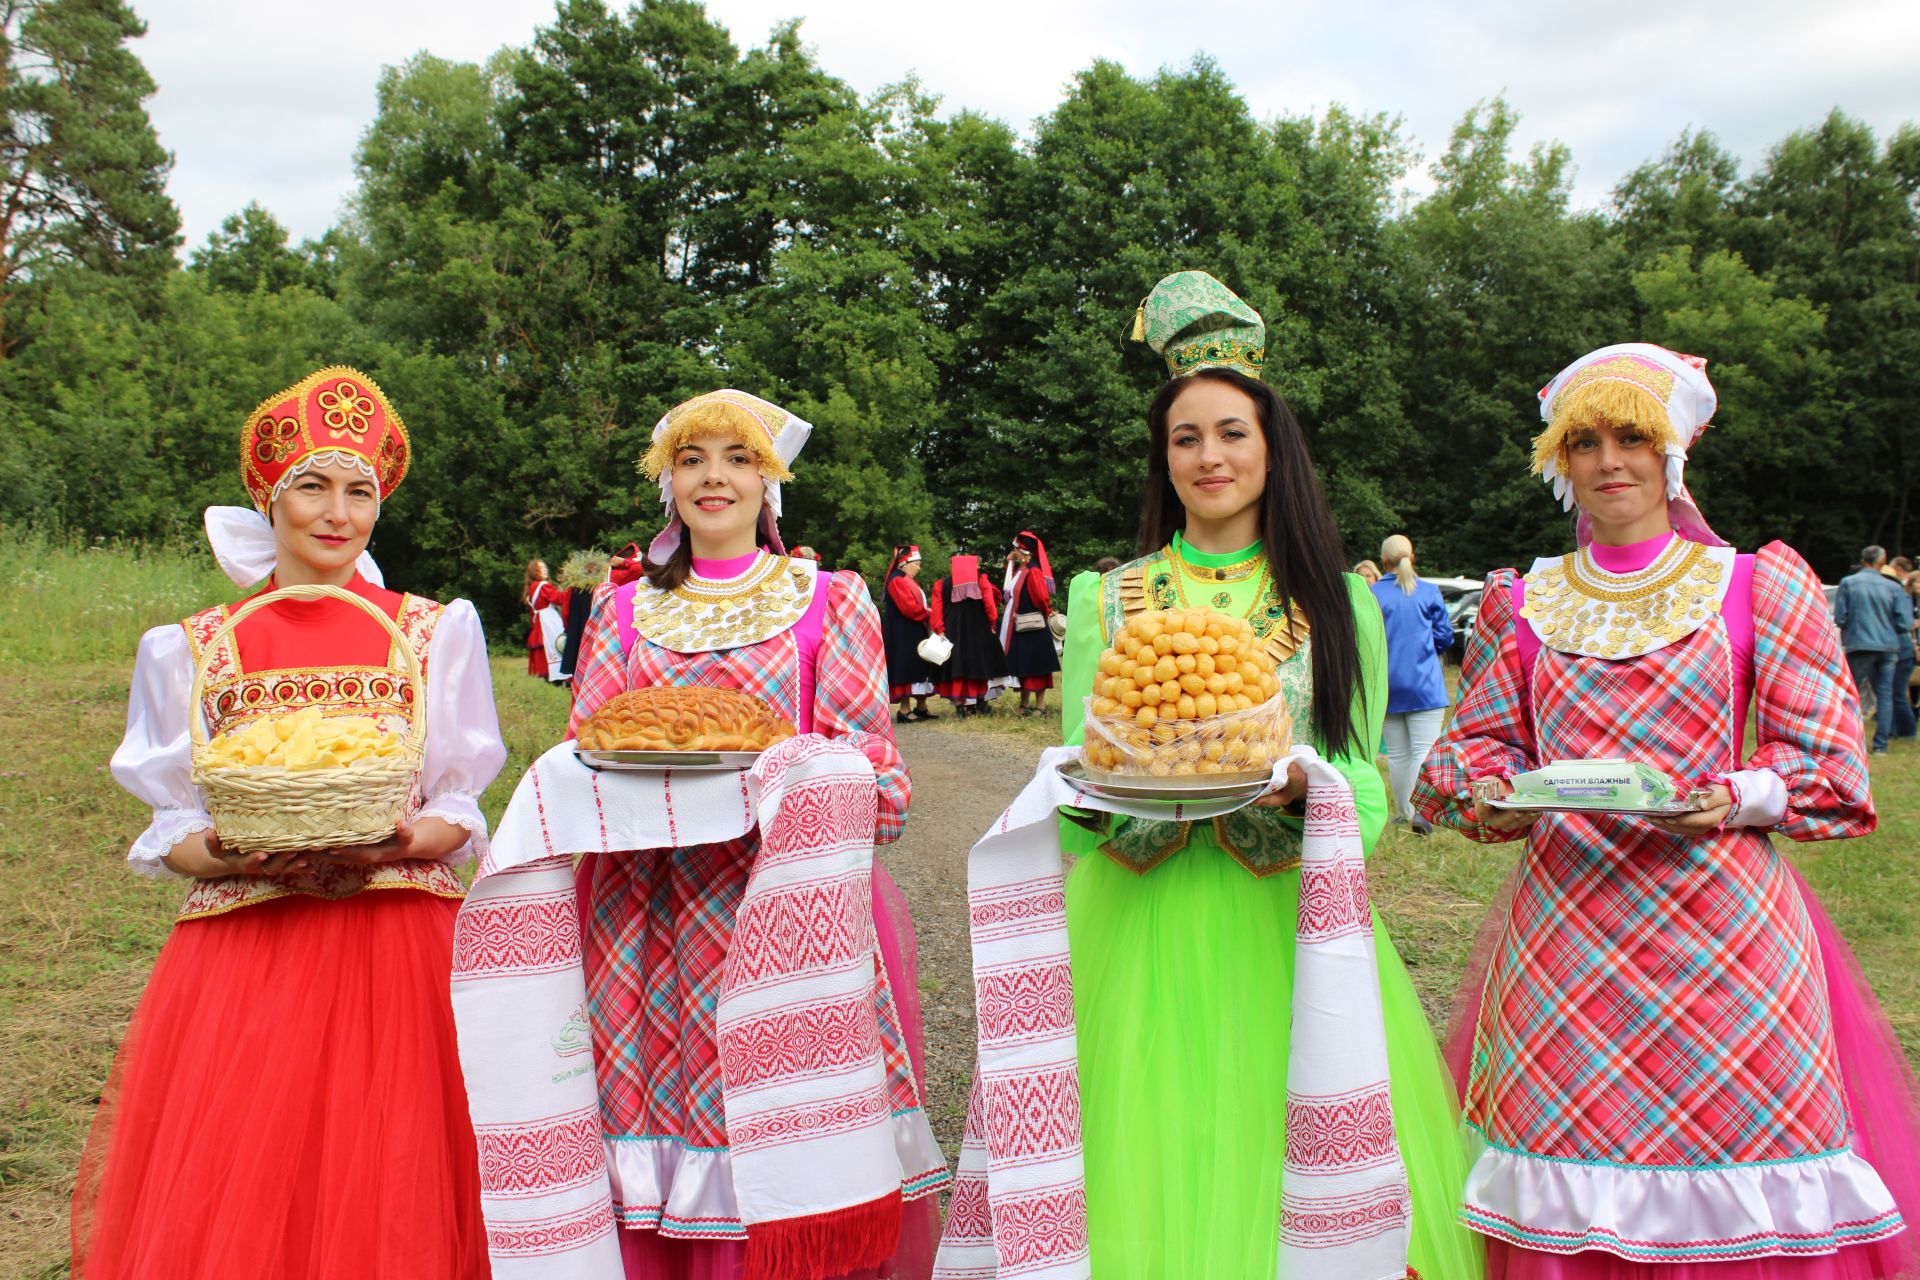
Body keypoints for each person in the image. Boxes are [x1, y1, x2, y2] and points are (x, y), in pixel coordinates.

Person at [946, 271, 1482, 1278]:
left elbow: (1365, 795)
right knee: (1135, 1166)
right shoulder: (1111, 595)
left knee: (1289, 1164)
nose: (1210, 456)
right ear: (1164, 457)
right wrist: (1104, 789)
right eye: (1185, 437)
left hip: (1283, 923)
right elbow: (1078, 783)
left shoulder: (1337, 602)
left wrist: (1299, 787)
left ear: (1272, 446)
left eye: (1232, 431)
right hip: (1133, 920)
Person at [1415, 343, 1919, 1278]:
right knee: (1566, 1166)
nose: (1611, 461)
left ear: (1673, 451)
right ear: (1561, 463)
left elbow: (1832, 768)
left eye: (1634, 437)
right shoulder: (1518, 604)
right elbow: (1464, 755)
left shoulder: (1757, 585)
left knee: (1738, 1162)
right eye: (1586, 442)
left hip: (1727, 941)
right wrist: (1494, 788)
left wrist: (1730, 797)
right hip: (1567, 943)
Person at [75, 366, 505, 1278]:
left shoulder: (433, 632)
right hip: (248, 949)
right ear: (270, 498)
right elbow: (174, 827)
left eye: (360, 491)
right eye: (312, 485)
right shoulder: (192, 647)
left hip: (396, 943)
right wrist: (231, 851)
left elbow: (458, 804)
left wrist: (399, 841)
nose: (336, 512)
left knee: (393, 1165)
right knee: (247, 1171)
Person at [560, 390, 944, 1278]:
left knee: (776, 1133)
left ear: (769, 480)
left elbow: (871, 762)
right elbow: (588, 751)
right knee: (662, 1132)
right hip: (645, 915)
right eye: (692, 461)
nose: (714, 478)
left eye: (738, 459)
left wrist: (786, 782)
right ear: (669, 486)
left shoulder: (829, 600)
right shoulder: (620, 614)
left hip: (785, 909)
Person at [1372, 533, 1452, 833]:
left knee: (1398, 754)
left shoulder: (1372, 594)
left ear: (1383, 561)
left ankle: (1405, 812)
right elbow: (1444, 637)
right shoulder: (1428, 591)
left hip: (1387, 686)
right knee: (1423, 751)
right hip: (1425, 684)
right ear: (1411, 557)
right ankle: (1423, 813)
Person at [1834, 544, 1915, 753]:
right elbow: (1904, 624)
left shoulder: (1849, 583)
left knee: (1850, 694)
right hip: (1889, 646)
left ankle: (1846, 742)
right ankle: (1881, 746)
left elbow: (1841, 618)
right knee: (1885, 694)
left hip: (1859, 643)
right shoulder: (1893, 587)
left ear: (1863, 561)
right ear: (1882, 563)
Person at [929, 553, 1007, 716]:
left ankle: (960, 707)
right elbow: (990, 606)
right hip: (979, 631)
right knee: (980, 665)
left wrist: (940, 629)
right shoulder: (981, 581)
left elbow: (936, 612)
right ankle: (979, 703)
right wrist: (992, 622)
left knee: (957, 666)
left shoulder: (941, 585)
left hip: (953, 632)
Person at [999, 530, 1061, 714]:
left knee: (1037, 667)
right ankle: (1025, 703)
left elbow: (1041, 597)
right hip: (1022, 625)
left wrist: (1047, 611)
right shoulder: (1023, 569)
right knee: (1023, 666)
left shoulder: (1033, 570)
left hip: (1033, 625)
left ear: (1022, 551)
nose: (1014, 553)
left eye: (1015, 550)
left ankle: (1040, 706)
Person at [882, 544, 937, 721]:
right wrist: (929, 613)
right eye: (917, 564)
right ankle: (905, 710)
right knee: (906, 668)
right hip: (903, 632)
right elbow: (909, 608)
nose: (919, 568)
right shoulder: (897, 580)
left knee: (920, 667)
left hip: (913, 629)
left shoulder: (905, 579)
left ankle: (921, 706)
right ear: (905, 563)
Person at [525, 557, 569, 680]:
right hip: (548, 618)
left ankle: (546, 673)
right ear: (534, 572)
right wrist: (571, 591)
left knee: (545, 645)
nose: (544, 570)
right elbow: (558, 599)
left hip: (538, 619)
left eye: (544, 568)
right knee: (557, 643)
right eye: (540, 569)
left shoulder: (531, 587)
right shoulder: (543, 586)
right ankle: (560, 675)